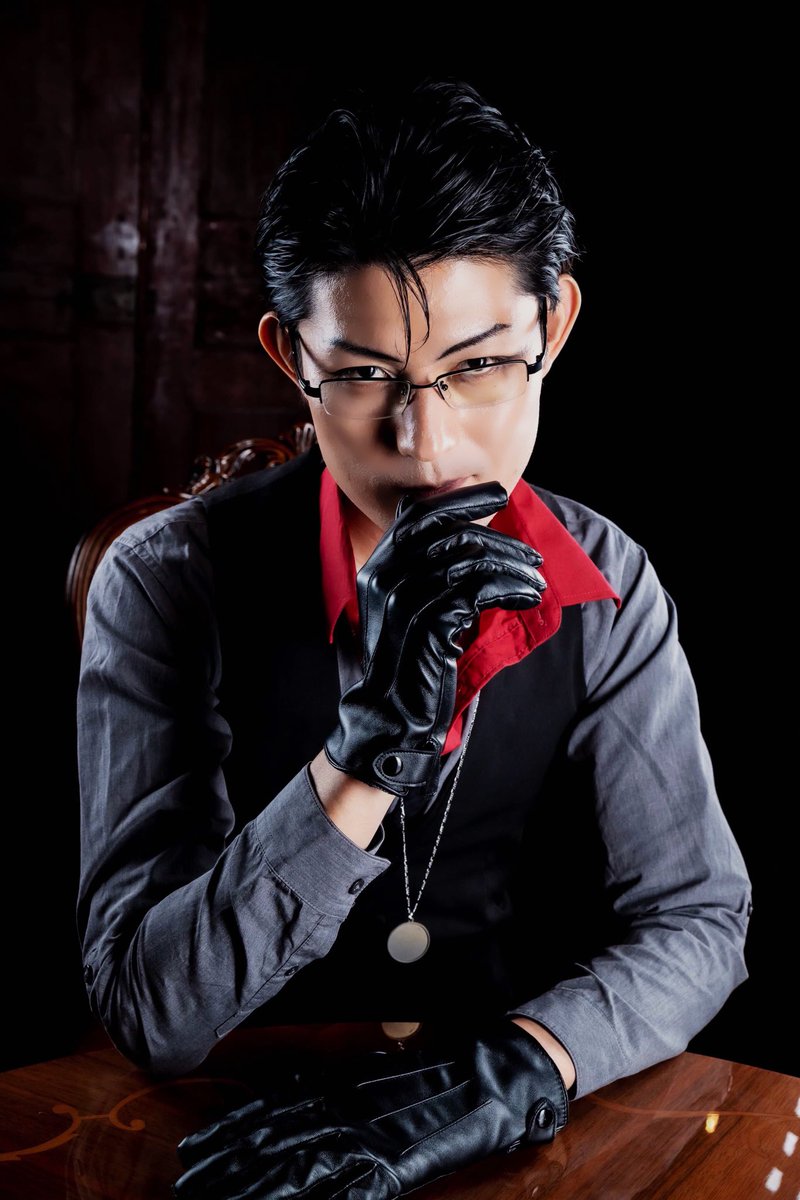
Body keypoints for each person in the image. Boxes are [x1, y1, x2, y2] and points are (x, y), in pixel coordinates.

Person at [76, 77, 752, 1197]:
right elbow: (152, 1015)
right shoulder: (163, 582)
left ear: (553, 327)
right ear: (291, 357)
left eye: (478, 367)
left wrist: (515, 1068)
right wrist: (365, 750)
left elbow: (698, 917)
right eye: (363, 375)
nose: (426, 445)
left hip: (496, 1143)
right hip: (217, 1142)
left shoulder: (610, 583)